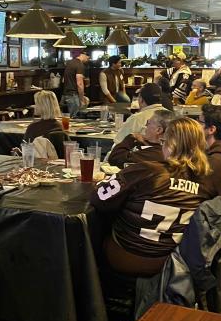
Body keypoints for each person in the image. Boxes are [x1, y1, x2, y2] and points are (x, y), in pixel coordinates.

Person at [91, 117, 213, 276]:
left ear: (170, 143)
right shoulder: (206, 183)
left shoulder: (146, 170)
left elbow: (99, 198)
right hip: (170, 260)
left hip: (127, 255)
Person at [107, 109, 174, 168]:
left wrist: (131, 137)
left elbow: (115, 158)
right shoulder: (147, 144)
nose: (145, 126)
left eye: (148, 123)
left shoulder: (153, 154)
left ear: (158, 130)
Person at [61, 51, 89, 117]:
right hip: (73, 95)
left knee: (70, 118)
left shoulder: (70, 63)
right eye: (88, 58)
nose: (88, 60)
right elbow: (79, 84)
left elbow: (63, 80)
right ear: (83, 55)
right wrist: (82, 99)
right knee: (76, 118)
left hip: (66, 94)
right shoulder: (79, 65)